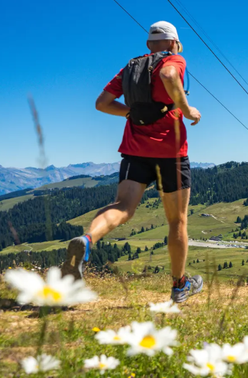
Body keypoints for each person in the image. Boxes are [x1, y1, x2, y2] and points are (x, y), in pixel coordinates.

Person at [61, 21, 203, 303]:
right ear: (174, 43)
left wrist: (133, 114)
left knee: (122, 207)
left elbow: (102, 103)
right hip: (171, 153)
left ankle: (87, 241)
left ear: (149, 44)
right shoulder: (174, 58)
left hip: (135, 150)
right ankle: (179, 286)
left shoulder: (131, 68)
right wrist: (187, 110)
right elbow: (170, 73)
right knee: (177, 221)